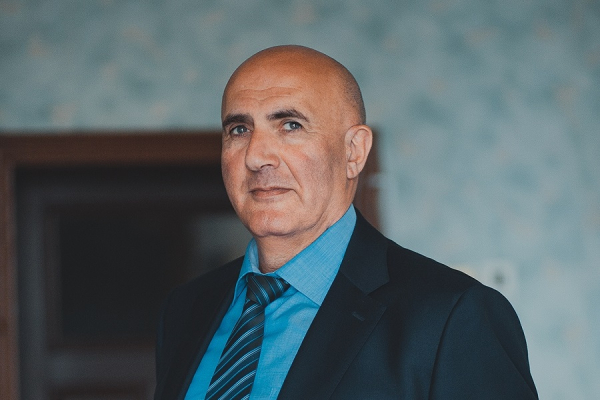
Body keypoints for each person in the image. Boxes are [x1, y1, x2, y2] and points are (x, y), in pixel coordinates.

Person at [154, 45, 538, 399]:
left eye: (290, 125)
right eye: (239, 130)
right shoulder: (186, 309)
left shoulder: (453, 316)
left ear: (354, 152)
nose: (256, 156)